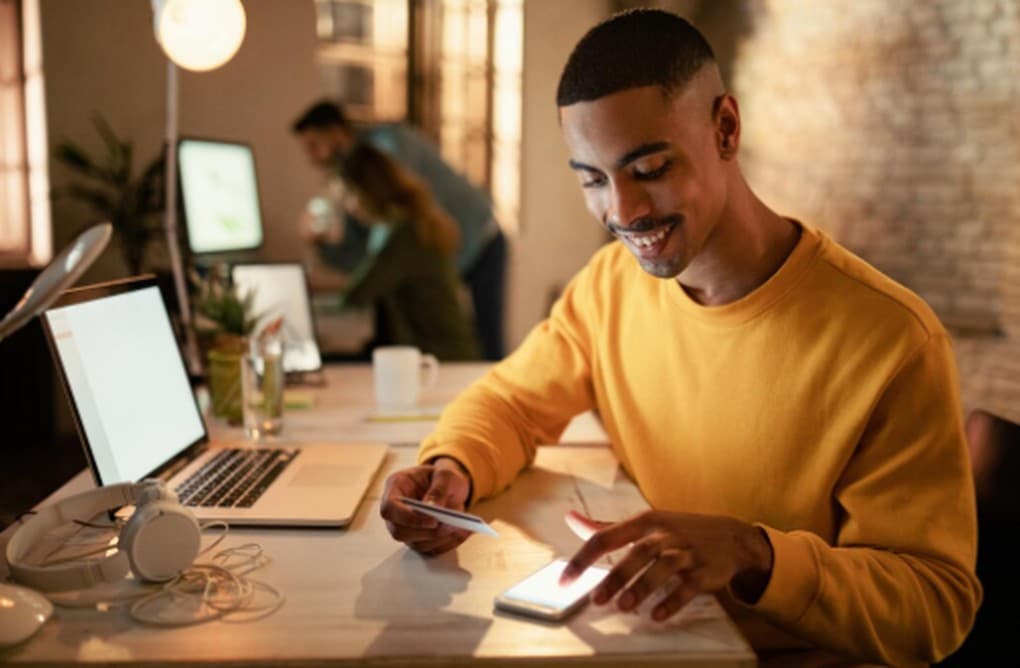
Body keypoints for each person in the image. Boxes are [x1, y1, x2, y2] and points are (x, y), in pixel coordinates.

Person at [377, 8, 980, 666]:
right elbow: (511, 402)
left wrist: (754, 554)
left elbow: (933, 607)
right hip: (651, 642)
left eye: (650, 169)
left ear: (726, 129)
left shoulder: (894, 341)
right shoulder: (610, 285)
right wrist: (452, 471)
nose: (621, 212)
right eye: (592, 179)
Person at [291, 102, 507, 361]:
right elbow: (364, 259)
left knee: (487, 342)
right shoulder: (366, 185)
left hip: (481, 239)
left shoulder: (386, 149)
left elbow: (373, 264)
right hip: (445, 244)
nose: (311, 157)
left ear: (336, 133)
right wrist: (323, 246)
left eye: (314, 145)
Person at [332, 142, 480, 362]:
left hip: (440, 357)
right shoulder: (407, 222)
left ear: (367, 191)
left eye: (349, 195)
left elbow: (357, 295)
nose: (349, 207)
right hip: (439, 351)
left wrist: (325, 247)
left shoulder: (404, 233)